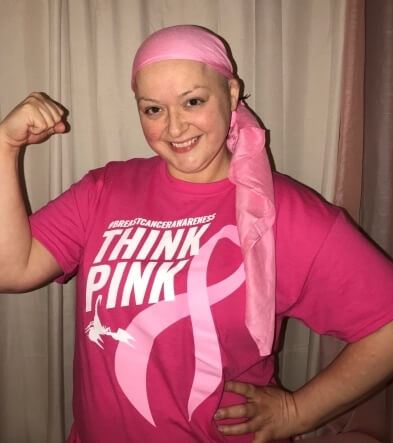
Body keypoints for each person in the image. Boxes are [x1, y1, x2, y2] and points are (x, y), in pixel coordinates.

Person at [0, 24, 392, 443]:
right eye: (153, 109)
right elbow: (12, 270)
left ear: (232, 93)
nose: (174, 127)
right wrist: (5, 146)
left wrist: (297, 412)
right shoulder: (105, 190)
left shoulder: (284, 212)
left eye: (193, 101)